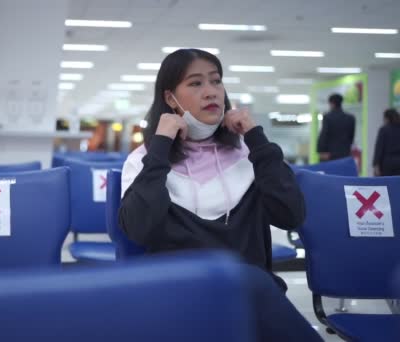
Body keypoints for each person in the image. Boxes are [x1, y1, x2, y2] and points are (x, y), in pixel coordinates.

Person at [118, 48, 321, 341]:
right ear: (169, 98)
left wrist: (254, 136)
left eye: (216, 81)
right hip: (177, 296)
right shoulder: (144, 160)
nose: (211, 92)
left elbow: (291, 216)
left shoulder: (250, 154)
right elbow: (139, 229)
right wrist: (161, 144)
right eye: (196, 83)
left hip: (248, 295)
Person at [317, 93, 356, 161]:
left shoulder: (328, 117)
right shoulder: (351, 118)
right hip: (345, 153)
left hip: (330, 155)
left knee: (330, 171)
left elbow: (324, 134)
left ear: (332, 104)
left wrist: (321, 150)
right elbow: (351, 137)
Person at [373, 108, 400, 176]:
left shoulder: (384, 130)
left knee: (387, 184)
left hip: (387, 164)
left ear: (387, 118)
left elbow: (379, 148)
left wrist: (376, 165)